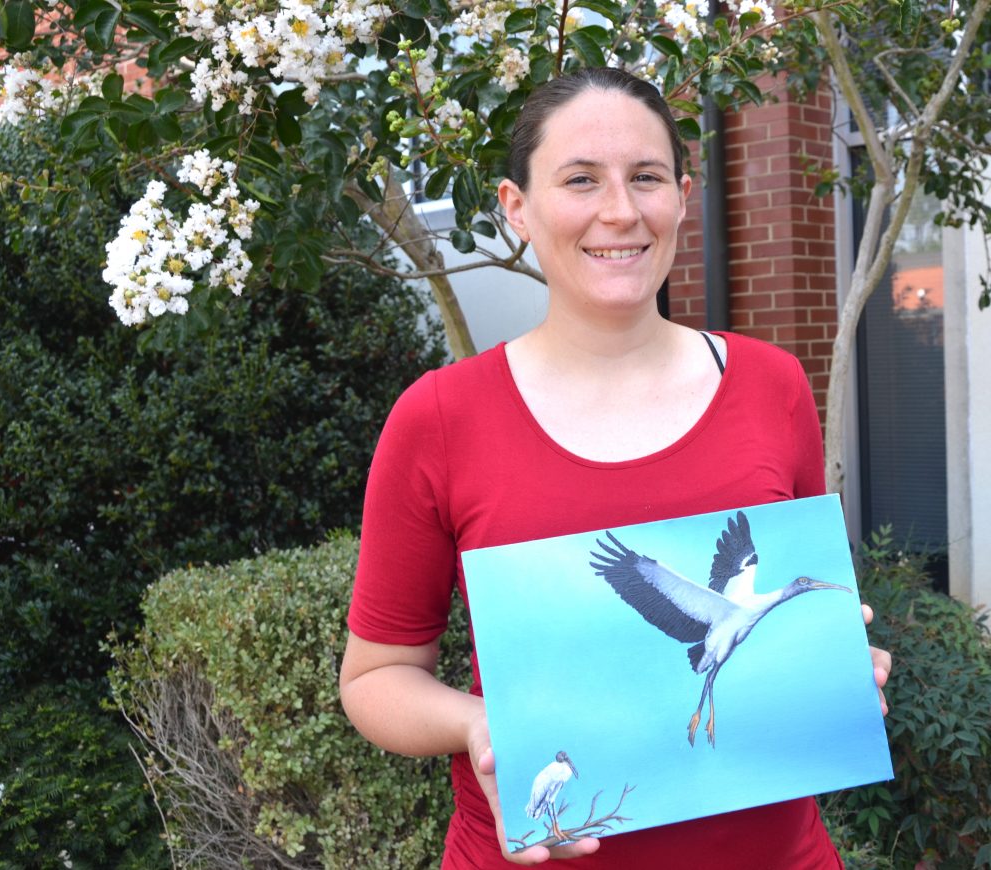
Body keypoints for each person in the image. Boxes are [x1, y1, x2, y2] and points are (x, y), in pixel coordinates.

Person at [340, 67, 892, 868]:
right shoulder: (438, 420)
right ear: (516, 208)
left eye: (646, 178)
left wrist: (835, 667)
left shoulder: (772, 386)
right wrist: (477, 726)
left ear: (681, 194)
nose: (620, 212)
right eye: (580, 180)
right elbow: (376, 677)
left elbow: (788, 621)